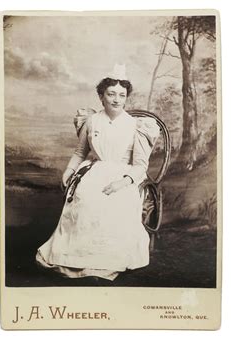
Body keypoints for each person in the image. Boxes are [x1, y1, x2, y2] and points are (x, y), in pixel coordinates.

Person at [36, 64, 160, 281]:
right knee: (85, 200)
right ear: (101, 96)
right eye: (111, 94)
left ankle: (105, 262)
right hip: (93, 170)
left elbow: (140, 165)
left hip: (123, 177)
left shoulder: (136, 126)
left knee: (112, 204)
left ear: (126, 97)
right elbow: (80, 152)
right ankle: (76, 259)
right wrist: (69, 169)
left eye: (122, 95)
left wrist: (123, 182)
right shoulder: (91, 121)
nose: (116, 99)